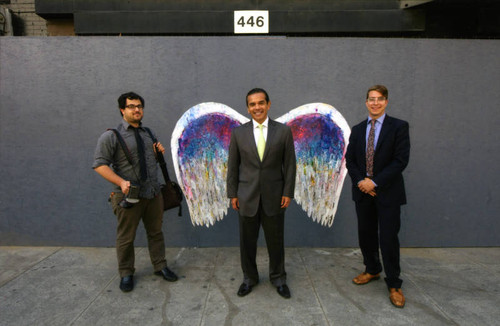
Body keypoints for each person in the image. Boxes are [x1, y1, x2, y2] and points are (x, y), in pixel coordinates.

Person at [92, 91, 178, 292]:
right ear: (122, 110)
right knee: (126, 237)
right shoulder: (111, 136)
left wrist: (159, 154)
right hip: (128, 196)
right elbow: (99, 165)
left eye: (139, 106)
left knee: (156, 233)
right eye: (131, 106)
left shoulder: (149, 133)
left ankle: (160, 266)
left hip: (153, 194)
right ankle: (126, 273)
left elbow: (148, 163)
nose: (137, 109)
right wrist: (121, 182)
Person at [227, 88, 296, 299]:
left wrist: (288, 192)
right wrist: (233, 194)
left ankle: (279, 278)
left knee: (276, 241)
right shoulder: (239, 133)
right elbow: (233, 166)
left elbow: (290, 165)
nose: (257, 107)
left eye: (260, 103)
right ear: (248, 108)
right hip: (246, 197)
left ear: (268, 104)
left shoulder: (283, 131)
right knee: (247, 242)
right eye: (252, 104)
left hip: (275, 196)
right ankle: (249, 278)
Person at [345, 85, 410, 308]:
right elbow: (350, 159)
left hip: (388, 192)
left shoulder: (399, 127)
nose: (375, 103)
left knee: (389, 239)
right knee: (366, 235)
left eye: (380, 99)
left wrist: (374, 181)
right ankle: (372, 269)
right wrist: (362, 182)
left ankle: (394, 283)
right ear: (366, 102)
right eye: (371, 99)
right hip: (363, 192)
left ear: (386, 102)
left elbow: (400, 161)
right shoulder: (358, 128)